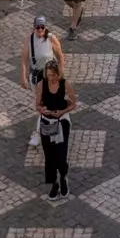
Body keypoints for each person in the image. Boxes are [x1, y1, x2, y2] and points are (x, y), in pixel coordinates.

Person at [35, 59, 78, 200]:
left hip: (61, 122)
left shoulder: (65, 84)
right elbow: (37, 105)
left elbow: (73, 104)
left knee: (61, 154)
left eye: (53, 75)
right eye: (49, 75)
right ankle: (54, 183)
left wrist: (62, 111)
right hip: (47, 123)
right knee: (49, 156)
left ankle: (63, 178)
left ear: (58, 74)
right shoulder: (41, 85)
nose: (51, 78)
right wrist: (43, 110)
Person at [21, 15, 66, 131]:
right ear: (34, 28)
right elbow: (24, 59)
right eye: (38, 27)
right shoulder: (29, 39)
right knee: (40, 104)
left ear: (45, 27)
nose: (40, 29)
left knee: (49, 103)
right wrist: (23, 77)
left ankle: (46, 128)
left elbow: (60, 57)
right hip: (36, 77)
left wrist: (61, 75)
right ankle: (44, 128)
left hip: (50, 77)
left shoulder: (51, 38)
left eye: (42, 27)